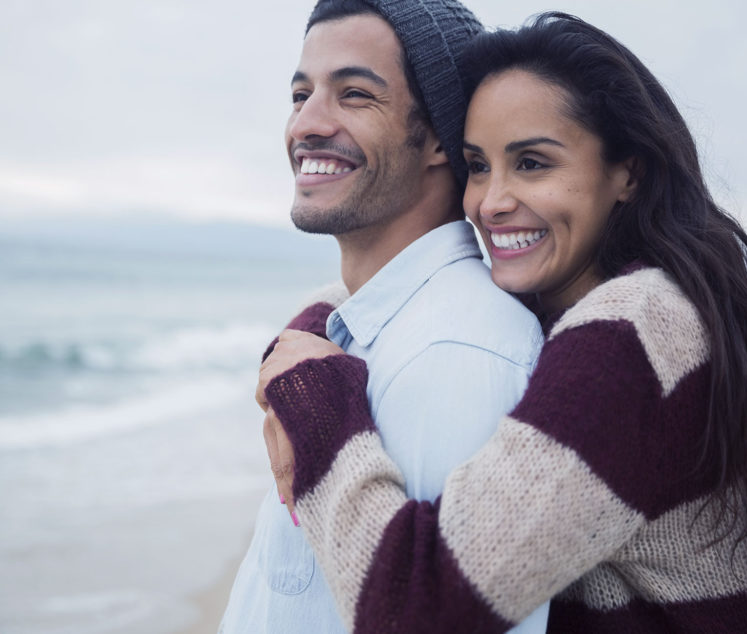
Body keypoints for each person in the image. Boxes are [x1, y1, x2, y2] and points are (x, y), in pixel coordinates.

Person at [257, 12, 747, 633]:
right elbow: (363, 296)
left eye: (532, 164)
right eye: (478, 165)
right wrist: (313, 333)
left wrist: (316, 409)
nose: (492, 201)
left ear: (626, 172)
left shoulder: (632, 331)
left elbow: (415, 610)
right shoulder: (583, 299)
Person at [219, 1, 550, 632]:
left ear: (436, 138)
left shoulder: (456, 356)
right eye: (300, 93)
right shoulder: (353, 335)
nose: (307, 124)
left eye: (354, 95)